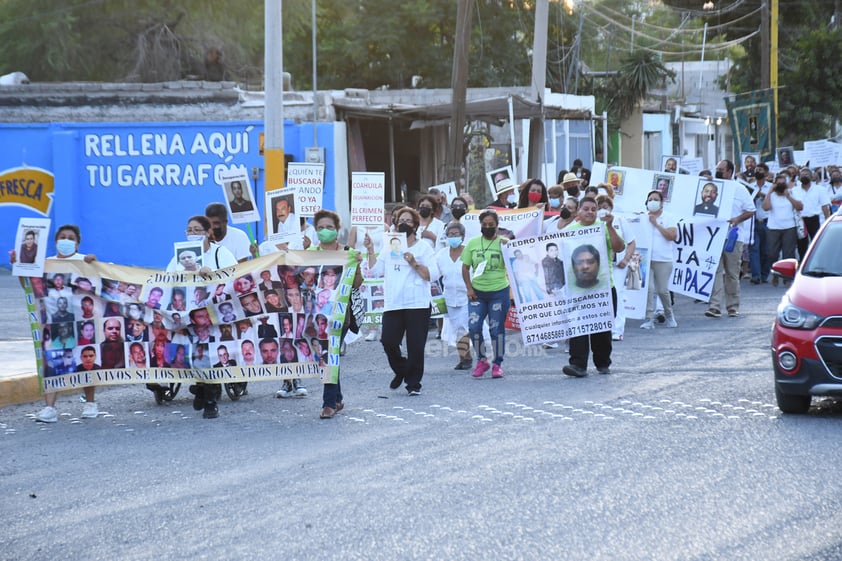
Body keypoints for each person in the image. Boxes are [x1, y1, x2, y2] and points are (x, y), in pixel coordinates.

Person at [9, 225, 99, 422]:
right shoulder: (45, 264)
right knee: (51, 363)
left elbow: (100, 284)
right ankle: (49, 408)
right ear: (56, 241)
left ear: (77, 243)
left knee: (85, 361)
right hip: (53, 323)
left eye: (70, 238)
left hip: (81, 322)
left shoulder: (84, 261)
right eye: (62, 237)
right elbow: (28, 285)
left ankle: (91, 403)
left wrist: (94, 264)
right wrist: (19, 265)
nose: (66, 240)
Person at [163, 215, 237, 419]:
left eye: (197, 230)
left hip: (212, 314)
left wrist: (210, 274)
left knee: (210, 354)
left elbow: (232, 278)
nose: (192, 234)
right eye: (189, 230)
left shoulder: (220, 254)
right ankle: (201, 387)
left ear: (208, 233)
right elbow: (168, 279)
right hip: (187, 315)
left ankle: (210, 399)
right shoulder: (179, 257)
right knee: (194, 355)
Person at [365, 207, 437, 395]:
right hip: (394, 302)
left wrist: (414, 263)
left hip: (417, 303)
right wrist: (370, 250)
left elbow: (432, 275)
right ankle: (402, 369)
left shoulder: (424, 247)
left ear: (415, 225)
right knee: (388, 340)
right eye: (400, 220)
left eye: (408, 220)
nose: (404, 223)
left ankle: (413, 383)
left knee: (415, 345)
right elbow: (375, 270)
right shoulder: (390, 246)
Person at [297, 210, 362, 416]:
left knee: (329, 353)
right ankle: (338, 398)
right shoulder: (312, 252)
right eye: (321, 228)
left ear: (337, 229)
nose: (325, 231)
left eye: (330, 227)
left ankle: (329, 404)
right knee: (329, 355)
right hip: (316, 316)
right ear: (315, 230)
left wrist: (357, 265)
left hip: (339, 317)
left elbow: (357, 284)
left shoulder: (347, 252)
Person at [562, 196, 625, 378]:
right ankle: (577, 365)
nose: (590, 212)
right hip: (578, 290)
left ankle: (603, 363)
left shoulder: (603, 229)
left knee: (602, 328)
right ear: (578, 211)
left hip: (604, 288)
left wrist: (610, 227)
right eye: (586, 209)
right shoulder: (569, 231)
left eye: (593, 209)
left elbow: (619, 247)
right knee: (578, 326)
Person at [461, 209, 510, 379]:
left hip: (499, 292)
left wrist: (510, 247)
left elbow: (517, 261)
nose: (488, 227)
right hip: (477, 293)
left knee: (496, 329)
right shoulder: (473, 243)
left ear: (497, 226)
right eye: (484, 225)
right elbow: (465, 267)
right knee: (474, 327)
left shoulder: (504, 243)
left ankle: (497, 363)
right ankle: (482, 360)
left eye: (491, 225)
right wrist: (469, 288)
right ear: (480, 225)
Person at [705, 159, 756, 318]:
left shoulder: (740, 189)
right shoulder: (712, 189)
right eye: (717, 168)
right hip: (713, 237)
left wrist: (737, 220)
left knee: (732, 273)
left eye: (721, 169)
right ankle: (714, 306)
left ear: (730, 171)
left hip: (733, 237)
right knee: (715, 271)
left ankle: (732, 306)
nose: (718, 171)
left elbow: (751, 210)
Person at [596, 195, 636, 341]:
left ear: (611, 208)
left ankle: (617, 330)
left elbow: (631, 242)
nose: (602, 210)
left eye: (605, 207)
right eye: (599, 207)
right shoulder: (593, 223)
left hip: (617, 266)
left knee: (617, 295)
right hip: (599, 267)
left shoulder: (620, 221)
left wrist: (626, 259)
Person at [639, 190, 679, 329]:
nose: (652, 202)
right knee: (649, 289)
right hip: (646, 259)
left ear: (661, 203)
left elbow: (671, 236)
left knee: (662, 290)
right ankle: (649, 318)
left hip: (663, 259)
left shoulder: (669, 217)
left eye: (656, 199)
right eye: (650, 199)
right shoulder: (642, 217)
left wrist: (656, 224)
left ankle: (669, 315)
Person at [435, 221, 472, 370]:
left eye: (456, 234)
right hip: (449, 297)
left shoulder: (469, 252)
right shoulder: (441, 255)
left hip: (468, 296)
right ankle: (463, 358)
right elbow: (433, 274)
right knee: (455, 328)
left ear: (462, 236)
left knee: (464, 327)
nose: (453, 237)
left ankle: (467, 357)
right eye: (450, 234)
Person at [762, 174, 803, 287]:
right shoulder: (772, 195)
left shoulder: (792, 193)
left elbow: (800, 207)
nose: (780, 186)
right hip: (773, 228)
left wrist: (788, 196)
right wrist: (769, 192)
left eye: (782, 183)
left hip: (789, 227)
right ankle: (775, 275)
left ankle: (787, 278)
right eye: (778, 183)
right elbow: (765, 207)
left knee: (788, 254)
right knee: (772, 254)